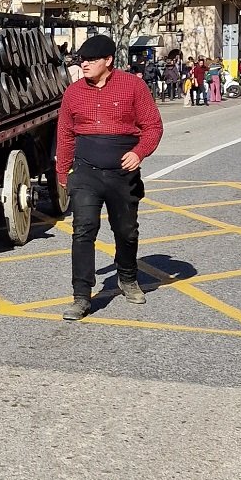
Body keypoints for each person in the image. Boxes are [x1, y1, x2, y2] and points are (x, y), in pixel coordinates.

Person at [55, 34, 164, 320]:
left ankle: (127, 277)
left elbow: (153, 126)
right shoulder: (74, 92)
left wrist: (140, 153)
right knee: (83, 230)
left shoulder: (133, 86)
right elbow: (65, 134)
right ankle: (81, 296)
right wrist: (63, 173)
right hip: (86, 172)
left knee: (126, 231)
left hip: (122, 174)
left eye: (91, 59)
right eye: (82, 59)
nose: (84, 64)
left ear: (108, 61)